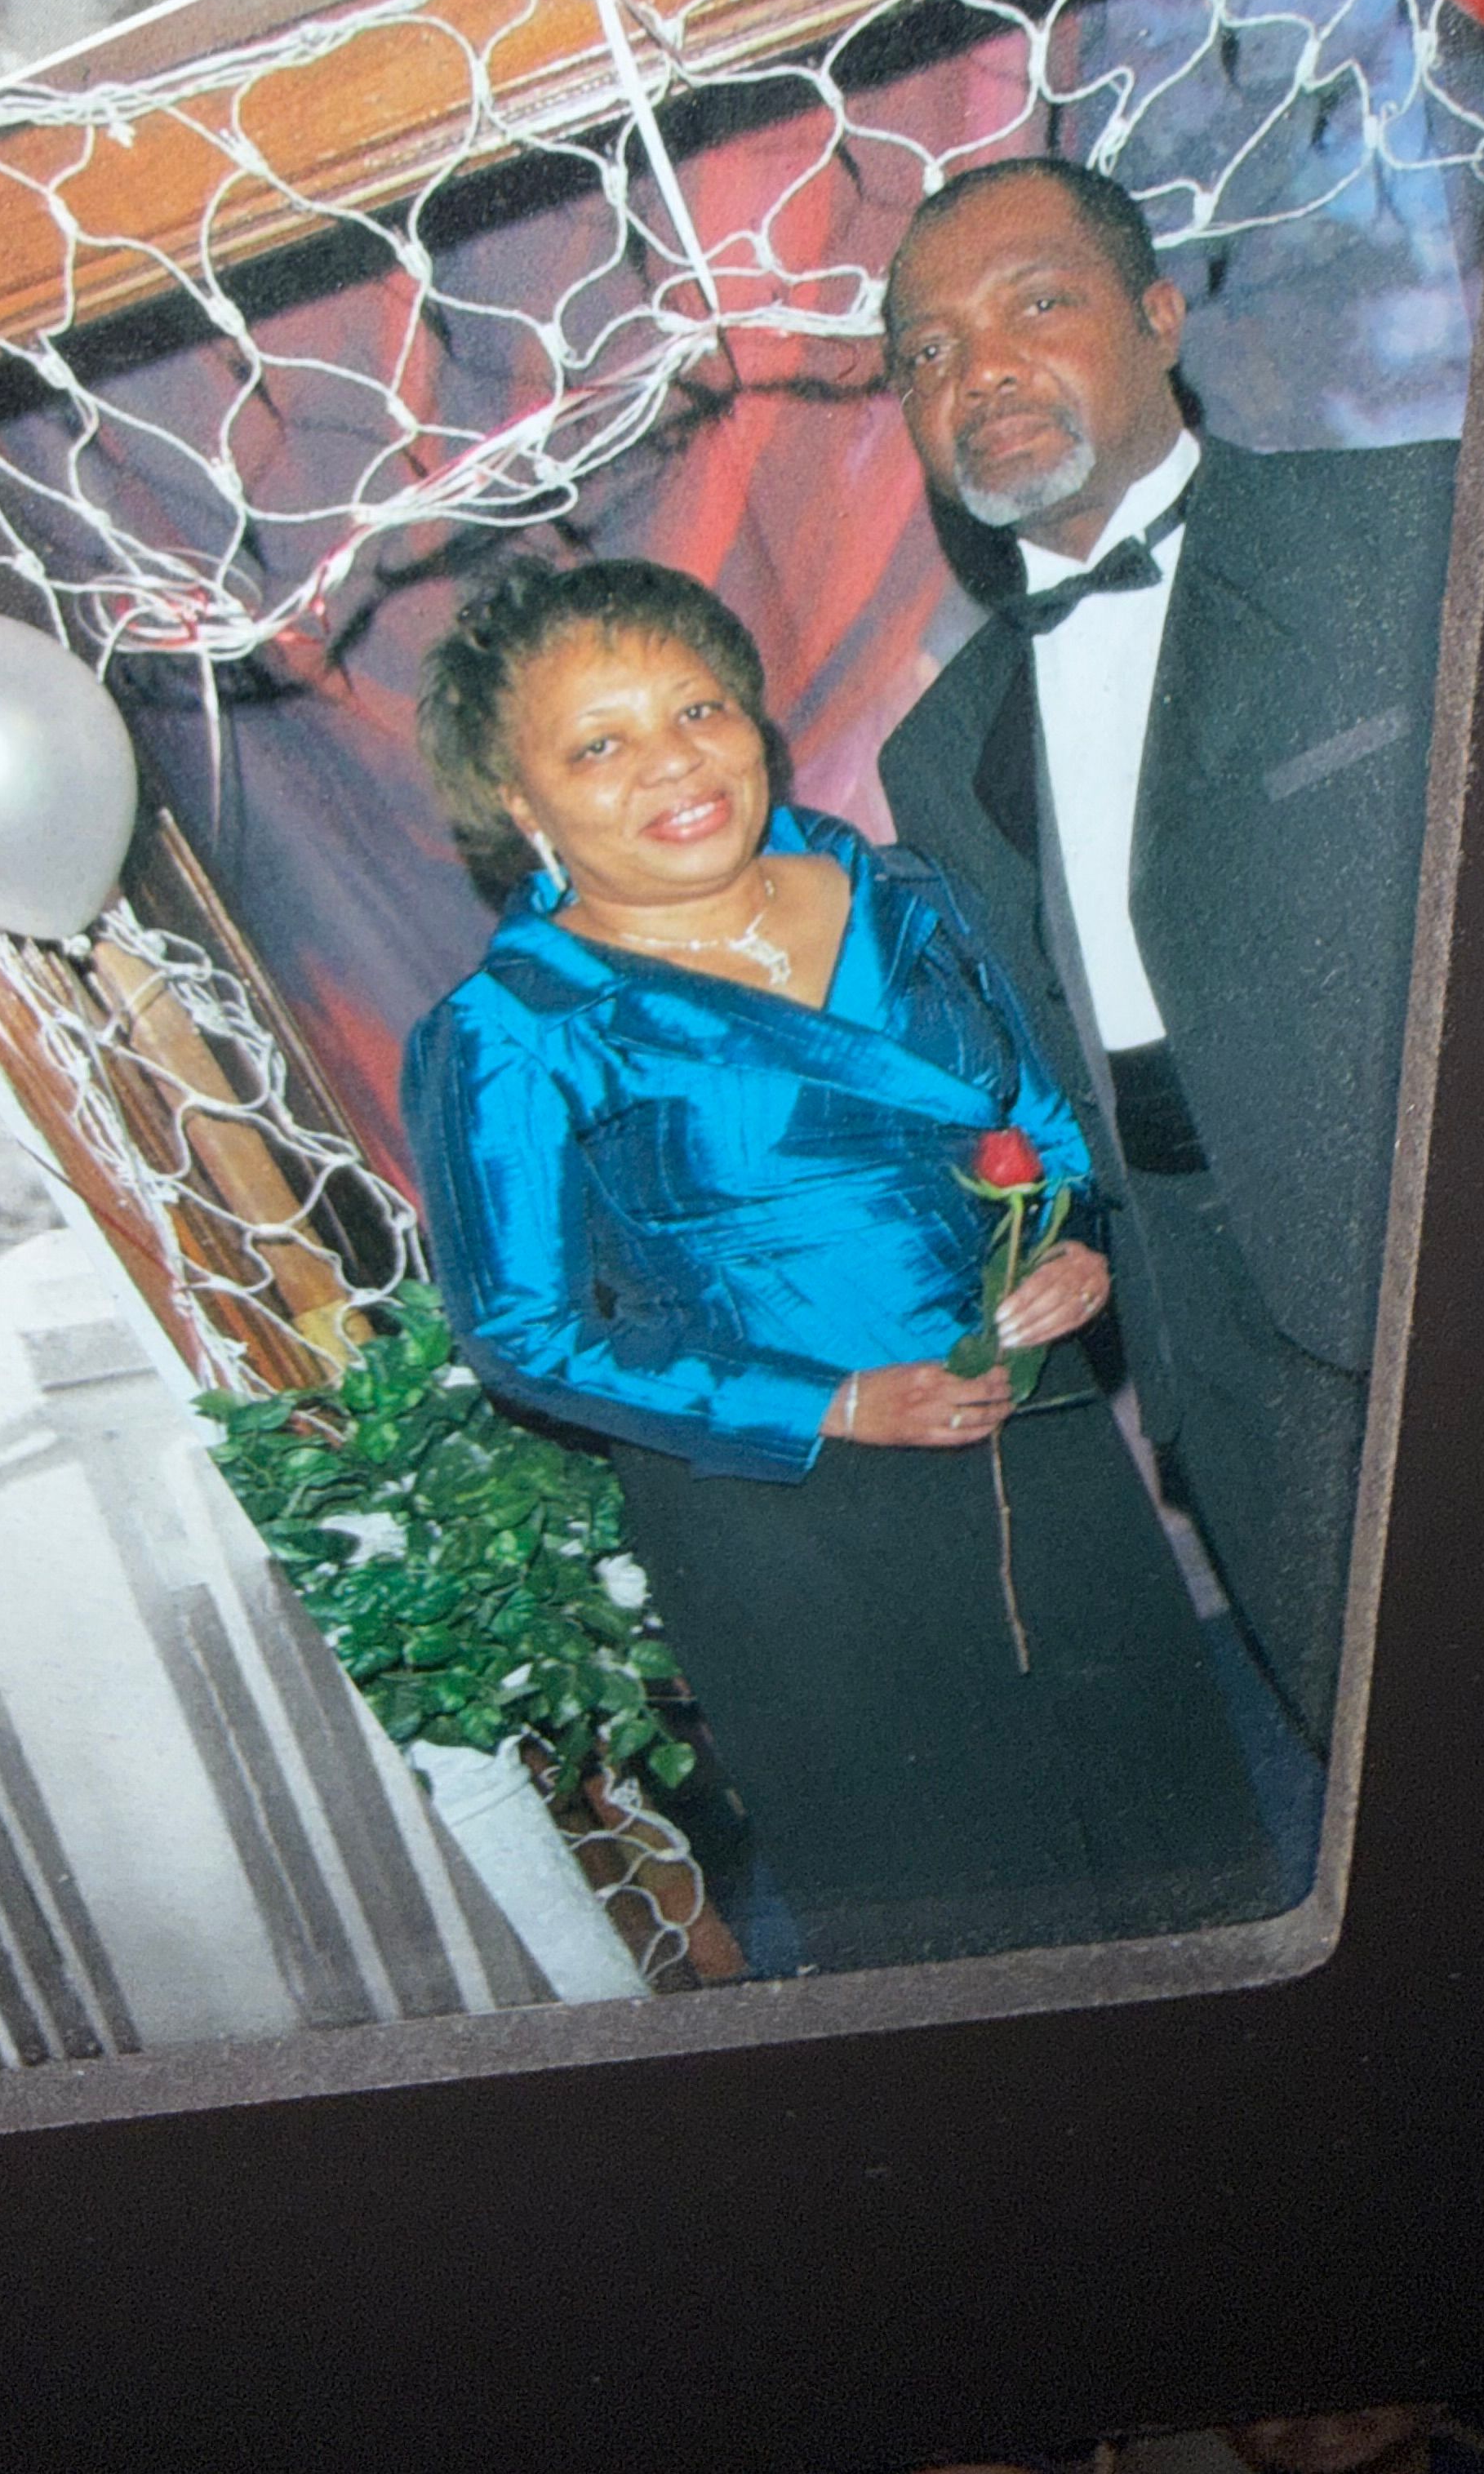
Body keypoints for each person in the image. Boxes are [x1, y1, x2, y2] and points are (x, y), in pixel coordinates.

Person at [401, 554, 1276, 1974]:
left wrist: (1070, 1248)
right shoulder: (515, 1026)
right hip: (800, 1522)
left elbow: (1044, 1127)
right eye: (598, 747)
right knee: (962, 1926)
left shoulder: (904, 894)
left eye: (698, 710)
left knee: (1180, 1843)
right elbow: (522, 1330)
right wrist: (832, 1404)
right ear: (521, 803)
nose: (673, 764)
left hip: (1037, 1437)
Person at [876, 159, 1456, 1767]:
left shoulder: (1411, 526)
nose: (982, 373)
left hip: (1472, 1272)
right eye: (929, 354)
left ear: (1156, 317)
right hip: (1218, 1346)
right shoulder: (938, 754)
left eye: (1035, 305)